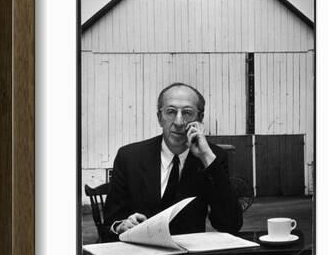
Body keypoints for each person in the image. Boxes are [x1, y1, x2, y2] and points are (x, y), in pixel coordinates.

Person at [102, 82, 243, 240]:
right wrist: (122, 226)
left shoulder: (213, 156)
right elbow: (110, 223)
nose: (178, 121)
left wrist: (207, 158)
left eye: (187, 113)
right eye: (170, 112)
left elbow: (231, 224)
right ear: (159, 118)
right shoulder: (129, 157)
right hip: (141, 252)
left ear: (200, 118)